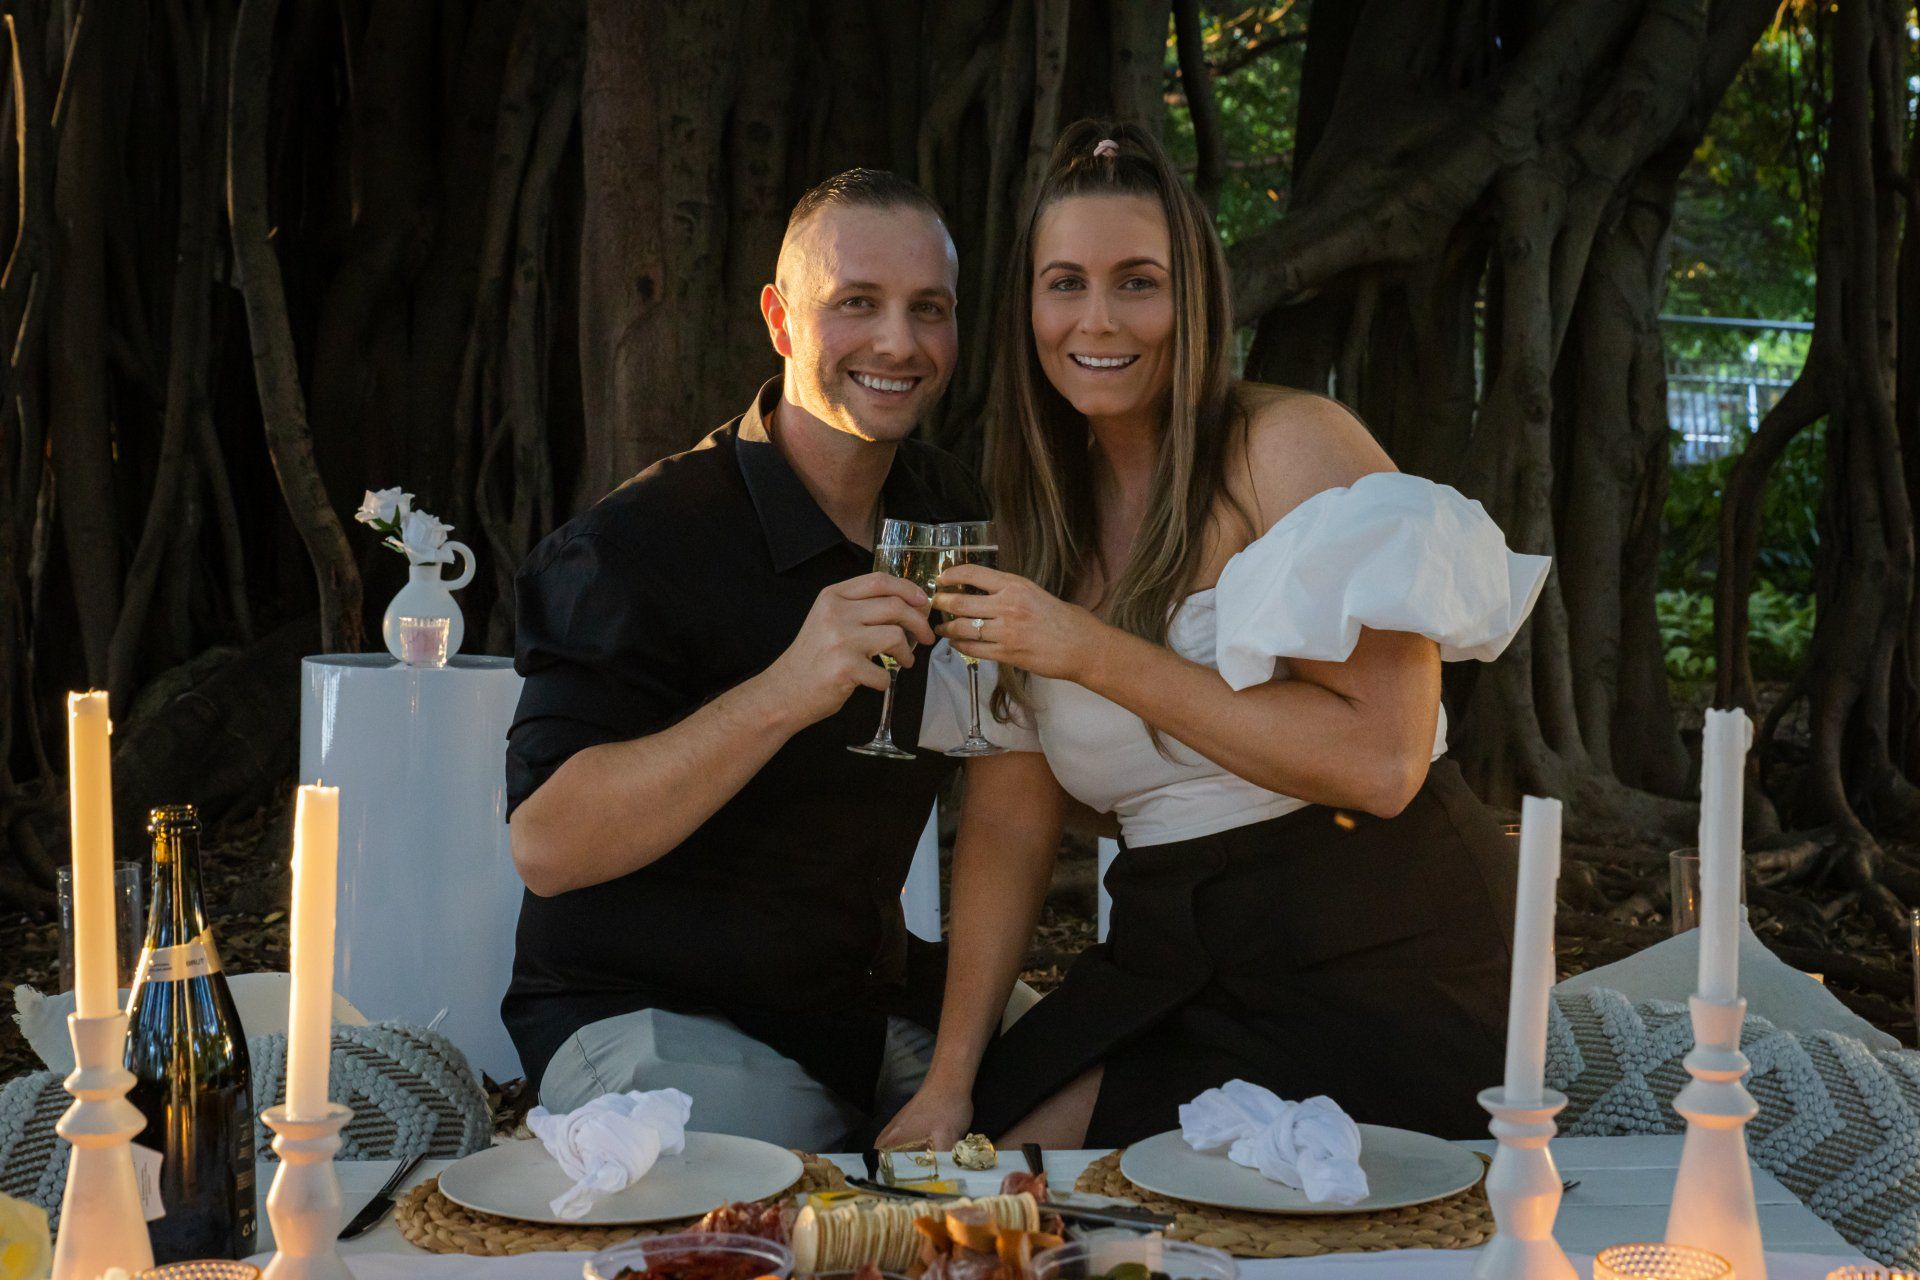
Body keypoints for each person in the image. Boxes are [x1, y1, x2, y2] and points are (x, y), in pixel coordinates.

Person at [878, 122, 1551, 1151]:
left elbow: (1382, 760)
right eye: (1065, 283)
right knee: (992, 1156)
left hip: (1378, 940)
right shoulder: (1030, 523)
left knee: (1249, 1211)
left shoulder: (1289, 450)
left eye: (1137, 281)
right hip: (1172, 948)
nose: (1097, 318)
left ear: (1195, 298)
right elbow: (1012, 824)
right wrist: (954, 1081)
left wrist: (1091, 650)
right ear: (1026, 309)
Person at [502, 169, 1023, 1151]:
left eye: (930, 310)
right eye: (856, 304)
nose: (899, 343)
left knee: (1110, 1090)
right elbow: (549, 845)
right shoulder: (638, 543)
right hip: (644, 1015)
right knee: (779, 1186)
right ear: (781, 321)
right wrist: (784, 690)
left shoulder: (954, 512)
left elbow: (1010, 767)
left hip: (857, 1006)